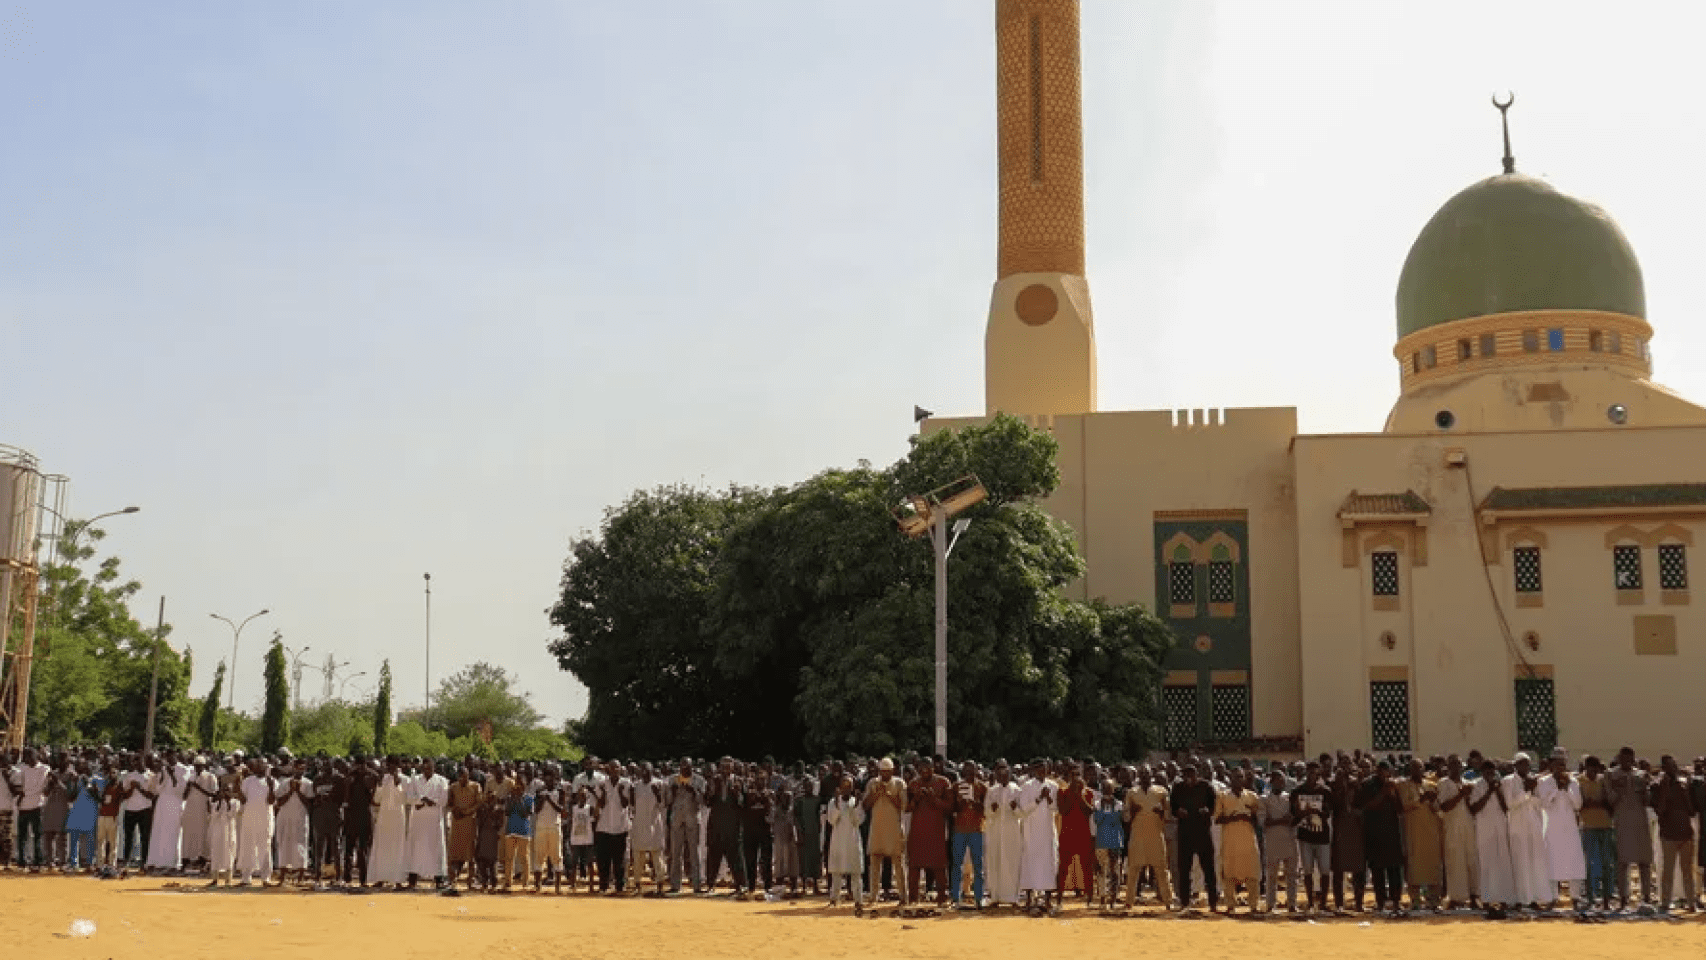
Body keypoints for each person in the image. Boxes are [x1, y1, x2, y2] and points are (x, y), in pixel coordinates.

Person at [1503, 753, 1553, 909]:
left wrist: (1532, 791)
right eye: (1521, 764)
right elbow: (1510, 803)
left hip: (1534, 827)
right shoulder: (1508, 781)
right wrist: (1525, 791)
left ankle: (1534, 899)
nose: (1525, 767)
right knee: (1520, 863)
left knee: (1534, 863)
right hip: (1517, 828)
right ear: (1515, 765)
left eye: (1527, 764)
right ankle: (1520, 899)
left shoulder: (1535, 781)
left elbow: (1541, 803)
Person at [1536, 751, 1585, 909]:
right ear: (1551, 766)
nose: (1560, 767)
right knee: (1551, 861)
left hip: (1570, 827)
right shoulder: (1543, 782)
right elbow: (1543, 803)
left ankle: (1575, 898)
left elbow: (1577, 804)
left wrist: (1567, 788)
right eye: (1557, 764)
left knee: (1574, 861)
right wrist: (1557, 789)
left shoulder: (1573, 781)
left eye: (1562, 764)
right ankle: (1552, 898)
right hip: (1552, 827)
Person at [1607, 746, 1654, 909]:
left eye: (1630, 759)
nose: (1627, 762)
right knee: (1622, 862)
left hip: (1640, 821)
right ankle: (1623, 898)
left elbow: (1648, 800)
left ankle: (1646, 897)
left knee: (1645, 861)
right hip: (1622, 822)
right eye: (1623, 759)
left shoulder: (1640, 775)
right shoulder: (1611, 775)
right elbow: (1610, 800)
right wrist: (1620, 787)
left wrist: (1646, 786)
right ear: (1619, 759)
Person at [1357, 761, 1405, 915]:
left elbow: (1400, 809)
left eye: (1387, 771)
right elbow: (1368, 806)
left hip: (1391, 832)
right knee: (1377, 870)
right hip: (1374, 833)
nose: (1384, 773)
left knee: (1394, 870)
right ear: (1377, 771)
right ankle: (1380, 903)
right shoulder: (1367, 784)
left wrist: (1394, 793)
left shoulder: (1394, 785)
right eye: (1382, 770)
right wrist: (1384, 792)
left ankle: (1396, 901)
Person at [1651, 754, 1698, 912]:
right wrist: (1665, 789)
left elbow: (1691, 811)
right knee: (1668, 871)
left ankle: (1691, 903)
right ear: (1664, 768)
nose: (1674, 768)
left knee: (1687, 871)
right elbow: (1660, 811)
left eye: (1675, 765)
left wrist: (1684, 791)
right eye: (1670, 766)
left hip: (1686, 833)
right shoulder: (1657, 785)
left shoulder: (1683, 784)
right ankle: (1665, 903)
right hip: (1668, 835)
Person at [1468, 758, 1515, 914]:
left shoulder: (1499, 785)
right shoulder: (1477, 785)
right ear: (1483, 773)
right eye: (1488, 772)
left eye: (1493, 772)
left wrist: (1497, 790)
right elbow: (1474, 808)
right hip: (1484, 830)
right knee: (1486, 864)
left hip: (1500, 828)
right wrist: (1488, 791)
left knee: (1503, 863)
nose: (1491, 774)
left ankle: (1504, 899)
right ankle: (1487, 900)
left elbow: (1505, 807)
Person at [1125, 765, 1174, 909]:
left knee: (1161, 869)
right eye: (1142, 773)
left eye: (1147, 773)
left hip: (1156, 836)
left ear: (1152, 774)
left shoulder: (1161, 792)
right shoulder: (1132, 793)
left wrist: (1161, 811)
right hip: (1138, 836)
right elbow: (1126, 817)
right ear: (1139, 776)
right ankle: (1129, 901)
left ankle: (1168, 901)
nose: (1145, 776)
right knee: (1133, 869)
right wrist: (1132, 810)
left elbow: (1169, 815)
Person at [905, 756, 952, 907]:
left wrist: (934, 799)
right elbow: (907, 808)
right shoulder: (913, 784)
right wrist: (916, 799)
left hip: (936, 831)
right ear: (918, 769)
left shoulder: (943, 783)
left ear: (933, 768)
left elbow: (950, 808)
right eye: (921, 769)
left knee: (939, 866)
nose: (925, 772)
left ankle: (942, 898)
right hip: (918, 831)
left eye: (928, 769)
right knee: (914, 866)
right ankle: (912, 898)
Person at [1170, 764, 1217, 912]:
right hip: (1185, 833)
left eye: (1192, 774)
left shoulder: (1206, 787)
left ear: (1197, 774)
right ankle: (1185, 902)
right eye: (1186, 775)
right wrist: (1178, 811)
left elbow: (1214, 806)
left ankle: (1213, 903)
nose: (1189, 778)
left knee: (1209, 869)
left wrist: (1208, 811)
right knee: (1184, 869)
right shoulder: (1178, 788)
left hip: (1203, 832)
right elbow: (1172, 807)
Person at [1397, 759, 1442, 909]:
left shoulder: (1432, 785)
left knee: (1432, 865)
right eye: (1413, 768)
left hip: (1431, 832)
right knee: (1414, 867)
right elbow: (1405, 805)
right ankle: (1415, 900)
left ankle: (1433, 900)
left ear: (1424, 769)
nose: (1417, 771)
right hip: (1413, 833)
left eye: (1419, 768)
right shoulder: (1403, 786)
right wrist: (1421, 799)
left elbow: (1438, 809)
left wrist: (1433, 799)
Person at [1436, 755, 1480, 909]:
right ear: (1448, 767)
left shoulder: (1467, 783)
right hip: (1452, 827)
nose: (1456, 768)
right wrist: (1461, 794)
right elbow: (1444, 806)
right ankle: (1455, 898)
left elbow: (1473, 808)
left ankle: (1474, 896)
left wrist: (1467, 795)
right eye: (1453, 765)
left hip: (1468, 825)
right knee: (1455, 861)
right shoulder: (1444, 783)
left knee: (1472, 860)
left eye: (1459, 765)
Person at [1214, 768, 1261, 914]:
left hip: (1248, 840)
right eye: (1235, 777)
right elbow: (1217, 818)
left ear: (1244, 779)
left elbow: (1258, 819)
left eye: (1240, 777)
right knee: (1229, 872)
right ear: (1230, 778)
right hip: (1230, 841)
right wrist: (1233, 817)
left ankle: (1253, 905)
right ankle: (1230, 905)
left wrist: (1249, 816)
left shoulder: (1252, 796)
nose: (1237, 780)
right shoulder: (1222, 796)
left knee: (1252, 872)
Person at [1019, 758, 1060, 913]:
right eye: (1040, 769)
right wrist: (1039, 798)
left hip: (1048, 830)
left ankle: (1048, 899)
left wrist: (1048, 798)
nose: (1043, 771)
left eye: (1045, 768)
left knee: (1049, 862)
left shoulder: (1053, 786)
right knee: (1029, 861)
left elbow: (1055, 809)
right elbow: (1023, 809)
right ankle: (1029, 899)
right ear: (1034, 770)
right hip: (1031, 831)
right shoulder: (1027, 787)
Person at [863, 757, 906, 906]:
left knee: (898, 864)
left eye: (887, 772)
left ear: (892, 771)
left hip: (894, 829)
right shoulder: (872, 783)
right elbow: (865, 805)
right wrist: (876, 793)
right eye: (882, 771)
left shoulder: (899, 784)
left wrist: (887, 794)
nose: (884, 774)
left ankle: (903, 895)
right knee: (874, 863)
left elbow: (903, 806)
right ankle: (873, 896)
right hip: (877, 829)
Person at [1290, 761, 1331, 912]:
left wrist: (1317, 811)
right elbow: (1293, 814)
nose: (1311, 775)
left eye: (1314, 773)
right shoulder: (1297, 791)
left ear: (1318, 774)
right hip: (1305, 836)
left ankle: (1324, 902)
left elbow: (1328, 813)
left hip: (1322, 836)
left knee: (1324, 870)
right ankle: (1310, 901)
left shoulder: (1325, 791)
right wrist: (1302, 812)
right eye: (1309, 772)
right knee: (1307, 870)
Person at [1576, 755, 1615, 911]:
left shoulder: (1604, 780)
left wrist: (1598, 803)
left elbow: (1610, 802)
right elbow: (1578, 803)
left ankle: (1606, 900)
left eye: (1595, 769)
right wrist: (1588, 804)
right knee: (1591, 864)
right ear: (1585, 768)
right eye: (1590, 769)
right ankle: (1591, 899)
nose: (1593, 772)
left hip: (1606, 826)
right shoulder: (1578, 781)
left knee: (1608, 864)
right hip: (1588, 827)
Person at [1054, 763, 1096, 908]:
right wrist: (1073, 794)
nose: (1075, 778)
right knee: (1063, 868)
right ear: (1069, 777)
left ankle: (1090, 898)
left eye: (1078, 775)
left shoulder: (1088, 793)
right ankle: (1059, 898)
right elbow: (1063, 811)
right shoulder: (1062, 792)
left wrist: (1080, 796)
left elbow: (1090, 811)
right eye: (1073, 775)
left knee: (1087, 868)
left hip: (1083, 835)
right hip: (1067, 835)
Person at [949, 760, 988, 909]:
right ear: (963, 772)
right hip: (959, 830)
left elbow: (986, 810)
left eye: (973, 771)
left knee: (978, 866)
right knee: (957, 865)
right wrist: (960, 804)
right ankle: (955, 897)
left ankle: (979, 897)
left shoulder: (982, 787)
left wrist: (976, 803)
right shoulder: (956, 787)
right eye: (967, 771)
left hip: (977, 830)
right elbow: (952, 809)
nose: (970, 774)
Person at [405, 758, 449, 888]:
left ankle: (438, 878)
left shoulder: (441, 781)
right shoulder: (415, 780)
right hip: (418, 820)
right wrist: (420, 800)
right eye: (425, 768)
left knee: (435, 848)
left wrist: (432, 801)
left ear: (434, 768)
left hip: (434, 819)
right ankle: (412, 879)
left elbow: (444, 799)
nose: (427, 770)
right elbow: (409, 797)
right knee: (416, 848)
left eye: (430, 768)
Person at [985, 759, 1024, 907]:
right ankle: (995, 897)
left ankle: (1012, 897)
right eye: (1000, 776)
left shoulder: (1017, 791)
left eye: (1005, 775)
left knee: (1012, 862)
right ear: (997, 776)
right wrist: (992, 810)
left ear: (1010, 775)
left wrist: (1015, 808)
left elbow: (1022, 814)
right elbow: (986, 812)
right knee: (995, 861)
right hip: (995, 832)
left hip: (1012, 832)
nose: (1003, 778)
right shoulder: (991, 790)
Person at [1259, 768, 1297, 912]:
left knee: (1291, 875)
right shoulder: (1264, 799)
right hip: (1272, 840)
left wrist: (1289, 820)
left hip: (1289, 839)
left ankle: (1292, 904)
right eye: (1278, 780)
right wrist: (1282, 820)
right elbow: (1263, 822)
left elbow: (1294, 819)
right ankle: (1270, 904)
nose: (1281, 783)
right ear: (1272, 782)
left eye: (1283, 780)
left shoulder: (1290, 798)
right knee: (1271, 875)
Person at [368, 758, 410, 887]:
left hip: (398, 817)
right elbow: (377, 799)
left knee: (398, 847)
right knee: (382, 847)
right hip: (384, 816)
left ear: (398, 766)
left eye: (393, 766)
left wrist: (398, 783)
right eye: (389, 766)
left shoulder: (406, 780)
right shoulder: (384, 779)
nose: (390, 768)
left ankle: (397, 880)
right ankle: (380, 878)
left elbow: (406, 799)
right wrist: (380, 784)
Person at [665, 758, 705, 893]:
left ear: (691, 767)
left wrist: (693, 791)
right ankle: (675, 885)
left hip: (692, 818)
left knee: (694, 853)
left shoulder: (699, 780)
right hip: (677, 819)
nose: (684, 770)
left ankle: (697, 884)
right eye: (682, 767)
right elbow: (668, 801)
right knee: (675, 853)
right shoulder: (672, 780)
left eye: (687, 767)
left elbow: (703, 801)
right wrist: (673, 791)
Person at [825, 775, 865, 909]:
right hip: (838, 841)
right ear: (840, 788)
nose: (846, 790)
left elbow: (857, 821)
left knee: (856, 873)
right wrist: (837, 803)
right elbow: (831, 820)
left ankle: (858, 900)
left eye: (849, 787)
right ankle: (834, 899)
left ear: (853, 788)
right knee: (836, 873)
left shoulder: (856, 801)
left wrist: (857, 805)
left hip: (852, 840)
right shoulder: (833, 802)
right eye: (844, 786)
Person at [236, 759, 275, 886]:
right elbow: (243, 799)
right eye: (258, 764)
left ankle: (266, 878)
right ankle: (246, 878)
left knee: (265, 848)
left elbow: (271, 801)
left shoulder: (272, 781)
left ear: (266, 767)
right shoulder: (248, 781)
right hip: (249, 818)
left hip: (265, 819)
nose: (260, 766)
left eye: (263, 764)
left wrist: (271, 787)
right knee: (247, 847)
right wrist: (238, 785)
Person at [273, 760, 313, 885]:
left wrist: (298, 791)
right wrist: (290, 790)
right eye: (298, 768)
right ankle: (283, 876)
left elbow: (309, 804)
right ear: (293, 768)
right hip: (285, 818)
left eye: (302, 768)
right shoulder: (284, 782)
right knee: (283, 844)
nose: (300, 770)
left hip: (300, 818)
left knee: (301, 845)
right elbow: (279, 802)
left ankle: (300, 877)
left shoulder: (308, 783)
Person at [630, 764, 666, 895]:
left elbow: (663, 805)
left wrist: (657, 794)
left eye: (647, 771)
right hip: (639, 824)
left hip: (654, 824)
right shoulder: (636, 786)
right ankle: (638, 885)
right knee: (638, 856)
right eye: (643, 771)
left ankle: (660, 886)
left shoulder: (659, 784)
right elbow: (632, 805)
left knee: (657, 856)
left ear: (651, 772)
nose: (645, 773)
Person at [343, 757, 378, 887]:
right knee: (349, 848)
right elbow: (346, 796)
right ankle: (347, 878)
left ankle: (364, 879)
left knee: (363, 849)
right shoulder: (350, 776)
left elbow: (374, 793)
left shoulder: (372, 775)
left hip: (365, 814)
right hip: (351, 815)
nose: (360, 768)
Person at [1092, 779, 1126, 910]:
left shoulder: (1118, 804)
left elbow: (1116, 820)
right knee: (1101, 871)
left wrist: (1105, 814)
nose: (1107, 790)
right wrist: (1105, 812)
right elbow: (1097, 820)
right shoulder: (1097, 803)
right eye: (1104, 787)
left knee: (1114, 871)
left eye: (1109, 788)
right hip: (1101, 841)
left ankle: (1113, 898)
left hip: (1115, 841)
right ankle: (1102, 898)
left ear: (1113, 790)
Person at [447, 765, 483, 887]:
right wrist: (454, 810)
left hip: (469, 824)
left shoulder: (475, 786)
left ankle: (471, 880)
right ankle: (452, 880)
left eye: (466, 776)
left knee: (471, 855)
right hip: (456, 824)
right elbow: (449, 802)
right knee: (454, 854)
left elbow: (479, 803)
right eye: (461, 776)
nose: (463, 779)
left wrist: (466, 812)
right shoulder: (453, 787)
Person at [181, 756, 218, 873]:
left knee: (202, 833)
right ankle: (186, 859)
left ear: (204, 766)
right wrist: (188, 787)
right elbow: (184, 796)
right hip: (190, 808)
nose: (197, 767)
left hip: (202, 808)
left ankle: (201, 860)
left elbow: (213, 794)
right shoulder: (191, 777)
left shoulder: (210, 777)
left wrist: (198, 787)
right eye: (195, 765)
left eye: (199, 765)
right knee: (188, 833)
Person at [499, 786, 533, 892]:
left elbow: (526, 814)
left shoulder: (529, 798)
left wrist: (520, 801)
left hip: (523, 831)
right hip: (511, 830)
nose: (517, 790)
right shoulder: (509, 798)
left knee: (524, 857)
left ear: (523, 788)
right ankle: (508, 881)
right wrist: (512, 800)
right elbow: (507, 812)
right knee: (509, 858)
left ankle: (525, 882)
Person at [206, 784, 241, 887]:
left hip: (229, 831)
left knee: (229, 854)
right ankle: (214, 879)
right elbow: (214, 815)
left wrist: (227, 803)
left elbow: (232, 814)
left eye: (228, 790)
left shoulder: (235, 802)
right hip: (217, 831)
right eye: (224, 790)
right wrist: (220, 803)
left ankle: (228, 880)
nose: (225, 792)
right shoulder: (216, 803)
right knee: (216, 853)